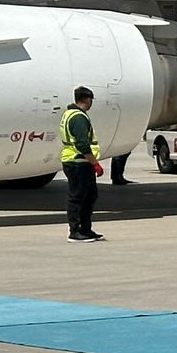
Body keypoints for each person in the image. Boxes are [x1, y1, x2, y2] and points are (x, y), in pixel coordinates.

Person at [59, 85, 104, 242]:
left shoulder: (70, 114)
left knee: (89, 196)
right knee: (78, 197)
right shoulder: (78, 117)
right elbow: (82, 144)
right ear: (87, 99)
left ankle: (86, 229)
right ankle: (75, 231)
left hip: (79, 161)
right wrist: (95, 163)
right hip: (78, 162)